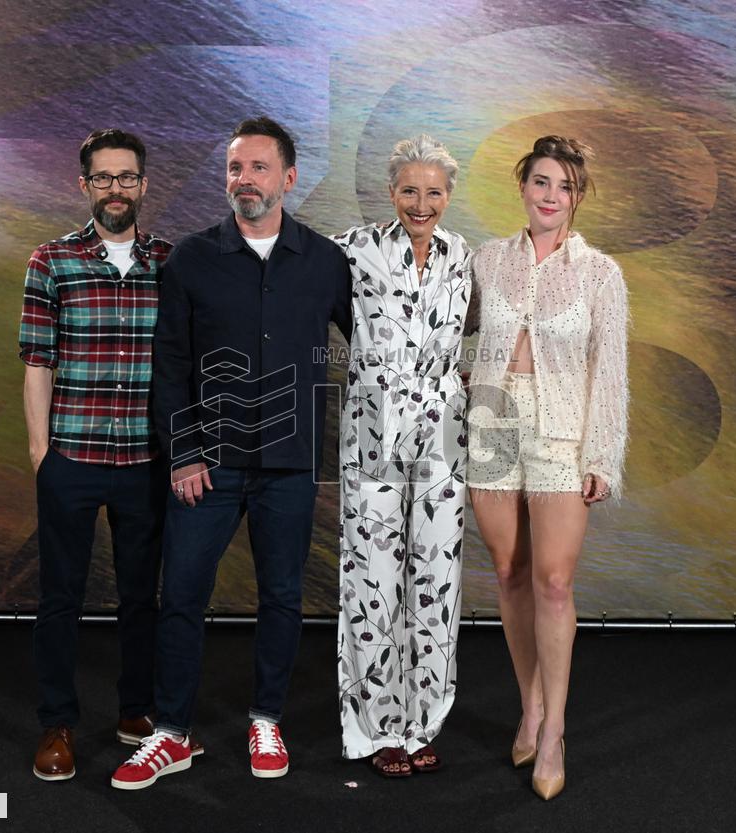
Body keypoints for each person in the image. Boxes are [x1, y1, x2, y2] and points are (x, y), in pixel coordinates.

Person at [109, 116, 352, 789]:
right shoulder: (192, 259)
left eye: (259, 167)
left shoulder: (325, 261)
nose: (245, 179)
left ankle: (266, 717)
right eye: (235, 168)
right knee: (182, 594)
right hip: (207, 464)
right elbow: (169, 363)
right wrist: (183, 452)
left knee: (282, 596)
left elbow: (378, 341)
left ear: (289, 178)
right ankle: (172, 733)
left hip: (290, 462)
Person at [20, 128, 204, 781]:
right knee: (60, 598)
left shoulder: (171, 262)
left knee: (140, 598)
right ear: (85, 185)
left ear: (144, 184)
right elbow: (37, 361)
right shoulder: (52, 260)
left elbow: (185, 363)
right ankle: (56, 724)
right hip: (71, 457)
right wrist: (41, 452)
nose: (116, 189)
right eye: (104, 178)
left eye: (127, 177)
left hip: (145, 462)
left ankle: (135, 712)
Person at [465, 135, 628, 800]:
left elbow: (609, 368)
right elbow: (451, 332)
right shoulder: (486, 259)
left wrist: (602, 454)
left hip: (562, 432)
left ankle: (554, 729)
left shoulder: (600, 274)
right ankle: (528, 708)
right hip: (491, 425)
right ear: (523, 186)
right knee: (510, 572)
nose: (551, 195)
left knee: (553, 583)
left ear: (578, 196)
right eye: (541, 181)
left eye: (564, 185)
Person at [332, 135, 471, 777]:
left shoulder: (462, 255)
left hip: (444, 438)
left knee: (437, 577)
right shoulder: (352, 249)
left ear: (448, 196)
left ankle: (422, 724)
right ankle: (376, 729)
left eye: (433, 192)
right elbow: (289, 278)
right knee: (372, 579)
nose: (421, 203)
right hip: (373, 434)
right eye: (410, 190)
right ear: (391, 193)